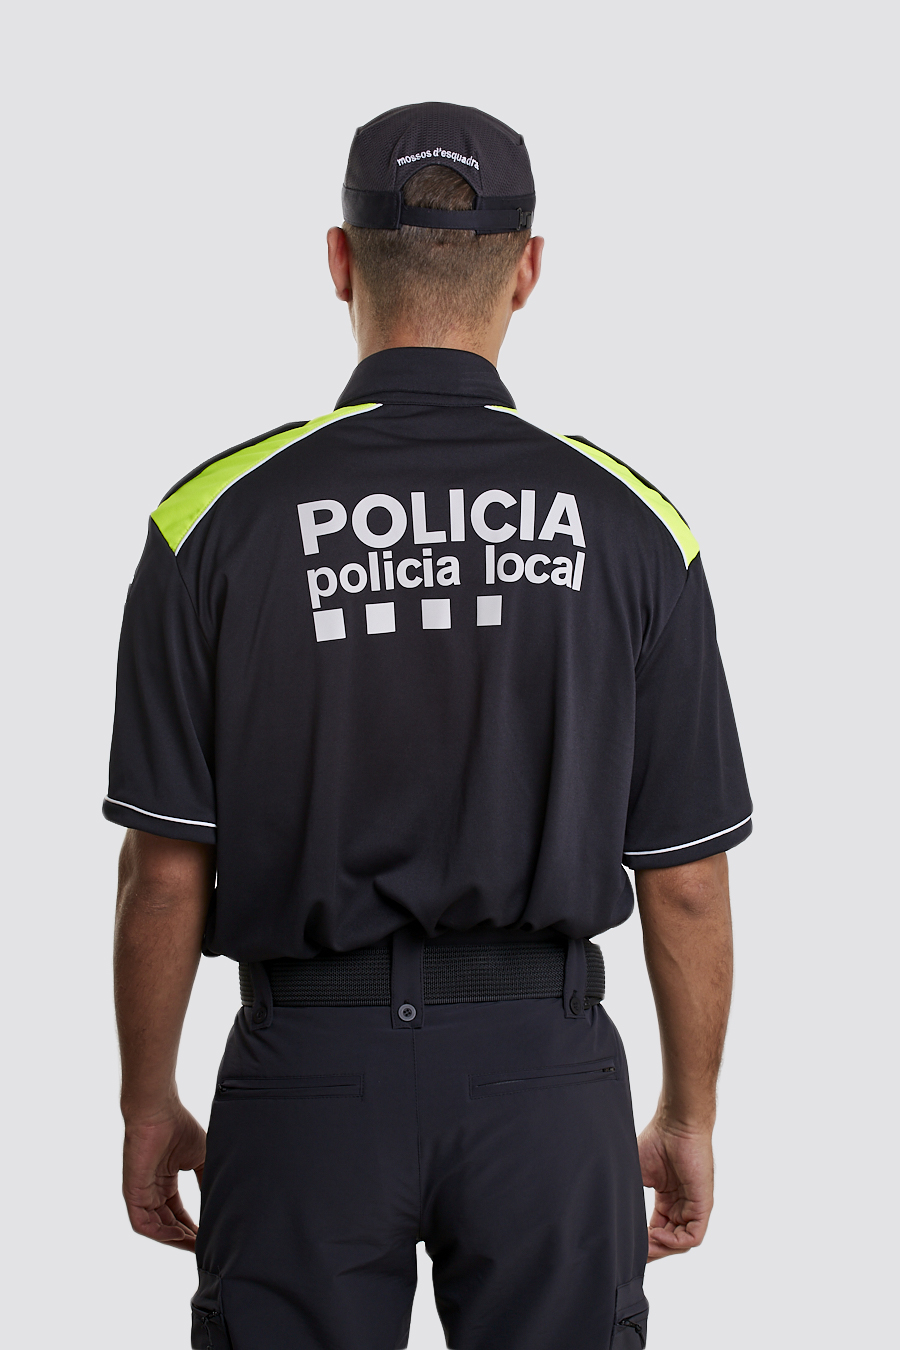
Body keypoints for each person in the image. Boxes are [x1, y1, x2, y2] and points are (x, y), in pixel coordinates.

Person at [106, 102, 751, 1350]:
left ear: (339, 260)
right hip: (544, 1083)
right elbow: (685, 880)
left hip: (304, 1080)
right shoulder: (634, 527)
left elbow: (165, 871)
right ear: (529, 267)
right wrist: (690, 1111)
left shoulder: (212, 520)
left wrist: (146, 1097)